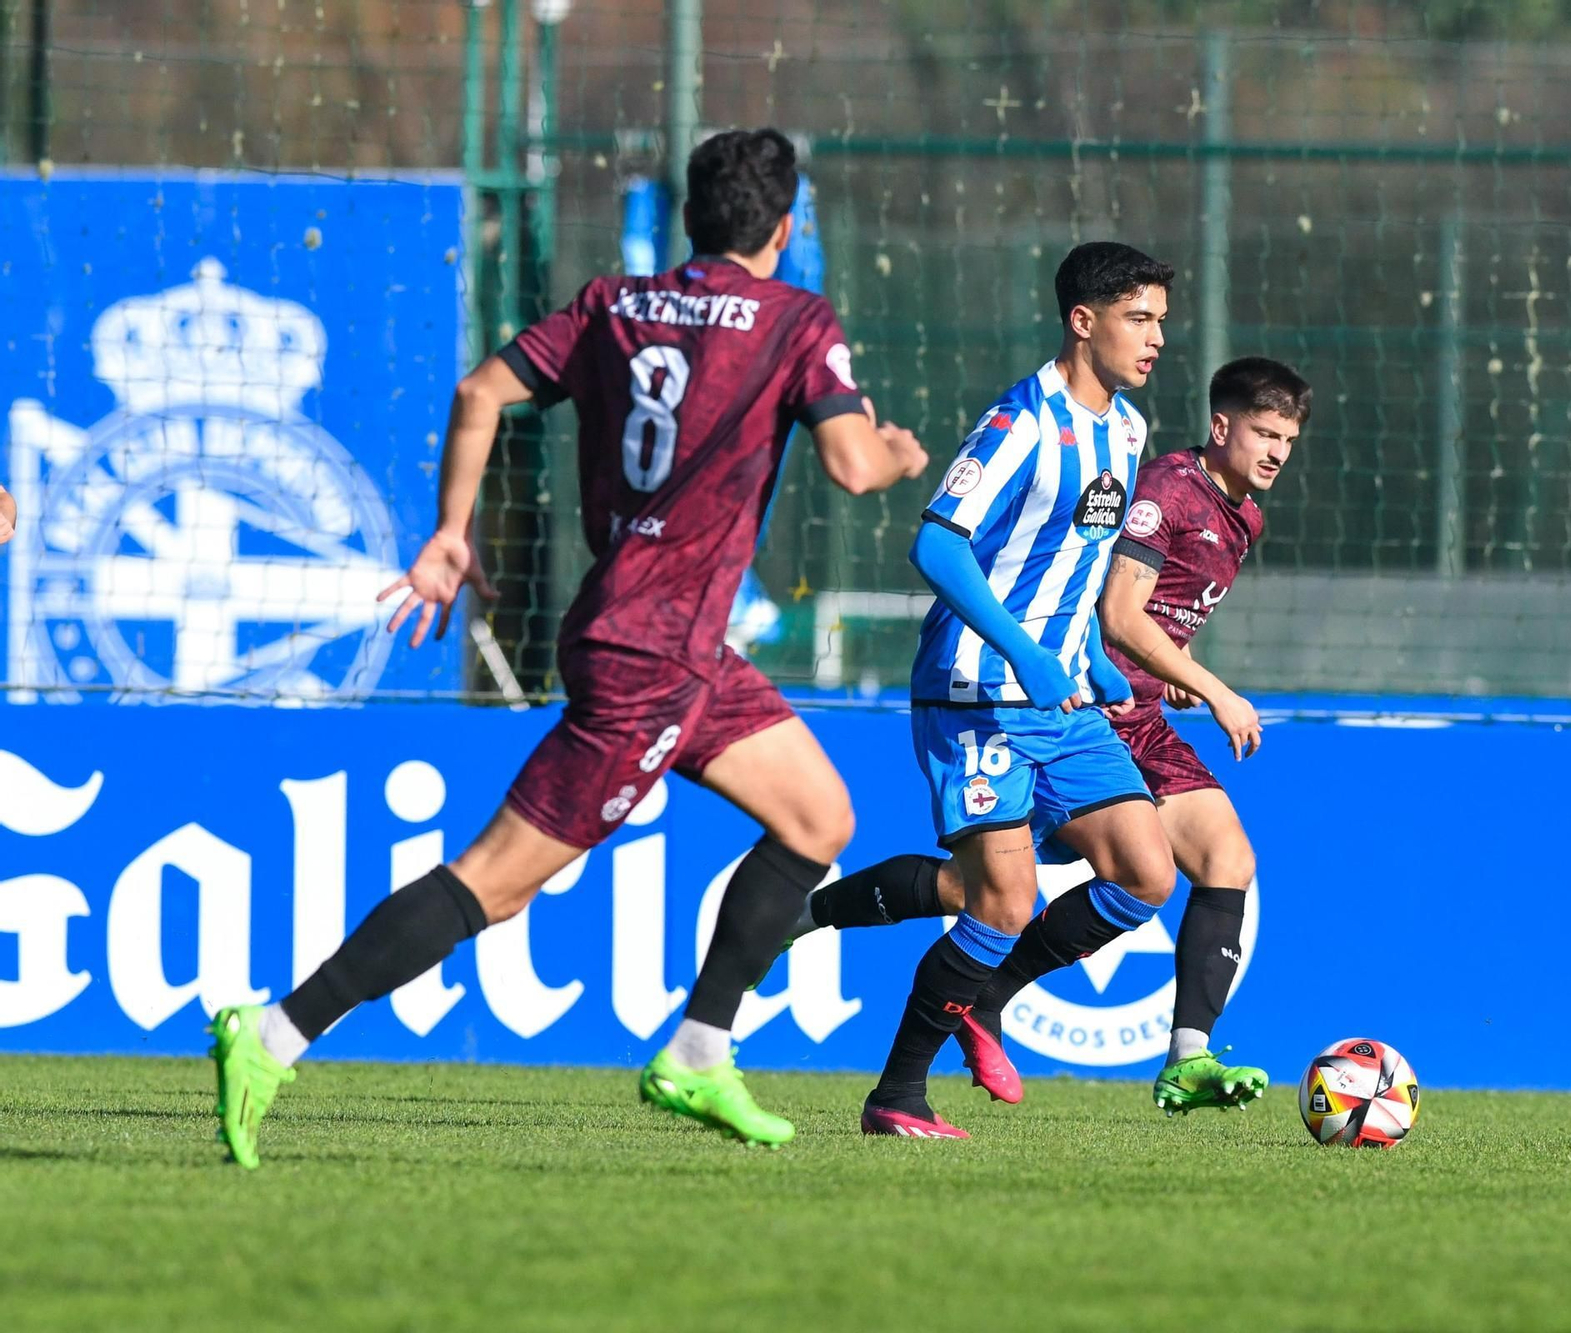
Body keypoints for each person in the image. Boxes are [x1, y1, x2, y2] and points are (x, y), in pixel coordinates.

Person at [206, 128, 929, 1167]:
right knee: (493, 886)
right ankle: (273, 1032)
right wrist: (897, 451)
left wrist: (450, 534)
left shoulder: (614, 304)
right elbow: (855, 466)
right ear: (783, 226)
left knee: (816, 817)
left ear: (690, 218)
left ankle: (698, 1049)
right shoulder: (794, 319)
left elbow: (476, 394)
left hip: (664, 636)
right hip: (651, 657)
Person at [785, 358, 1309, 1114]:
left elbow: (1145, 621)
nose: (1276, 452)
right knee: (996, 894)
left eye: (1288, 439)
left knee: (1171, 864)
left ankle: (1163, 1049)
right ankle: (898, 1021)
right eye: (1265, 433)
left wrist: (1168, 674)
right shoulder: (1162, 488)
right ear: (1222, 425)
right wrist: (1209, 688)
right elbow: (1118, 612)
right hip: (1073, 704)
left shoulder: (1236, 511)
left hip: (1127, 709)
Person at [860, 241, 1183, 1139]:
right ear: (1084, 322)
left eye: (1161, 319)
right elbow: (937, 544)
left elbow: (1069, 562)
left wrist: (1089, 653)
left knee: (1147, 871)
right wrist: (1024, 652)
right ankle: (897, 1095)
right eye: (1138, 318)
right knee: (999, 899)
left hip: (1062, 696)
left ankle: (986, 994)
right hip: (978, 694)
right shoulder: (1020, 423)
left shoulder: (1126, 430)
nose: (1157, 338)